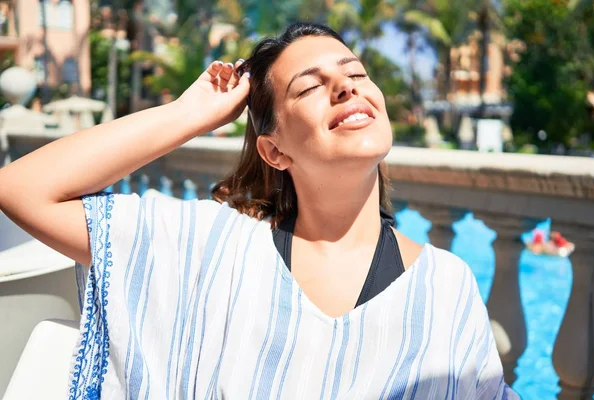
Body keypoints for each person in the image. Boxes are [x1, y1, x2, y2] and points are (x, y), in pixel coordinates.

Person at [0, 22, 518, 399]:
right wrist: (187, 116)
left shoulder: (446, 288)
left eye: (355, 73)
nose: (346, 87)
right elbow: (21, 188)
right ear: (274, 150)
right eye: (311, 86)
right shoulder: (211, 248)